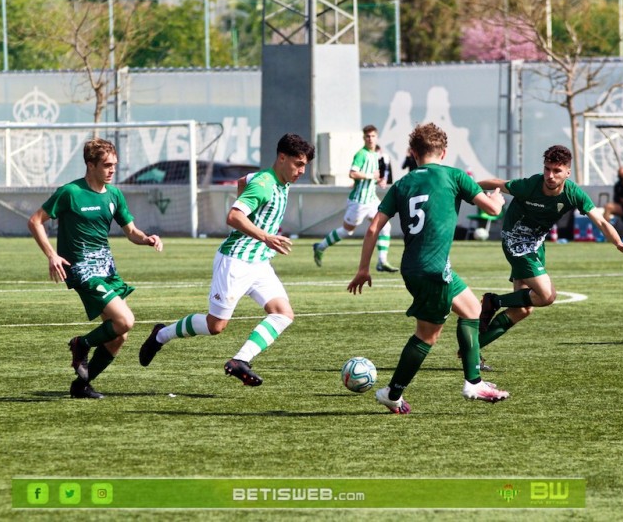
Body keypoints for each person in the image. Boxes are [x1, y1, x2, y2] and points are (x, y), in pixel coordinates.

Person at [347, 122, 510, 414]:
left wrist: (363, 269)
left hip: (415, 266)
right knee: (427, 335)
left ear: (412, 153)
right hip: (433, 269)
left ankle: (474, 380)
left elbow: (373, 228)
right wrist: (497, 198)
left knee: (472, 309)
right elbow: (493, 210)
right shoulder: (455, 175)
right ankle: (393, 392)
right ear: (444, 152)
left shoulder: (403, 184)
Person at [139, 133, 315, 386]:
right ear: (282, 157)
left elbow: (243, 180)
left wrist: (261, 235)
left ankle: (240, 360)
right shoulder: (264, 184)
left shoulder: (278, 180)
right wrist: (265, 236)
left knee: (283, 314)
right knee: (215, 326)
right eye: (298, 164)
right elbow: (233, 217)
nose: (301, 171)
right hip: (236, 260)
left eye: (304, 166)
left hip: (259, 263)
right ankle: (161, 335)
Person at [28, 138, 163, 399]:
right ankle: (81, 344)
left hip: (106, 268)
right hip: (81, 268)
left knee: (118, 336)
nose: (112, 170)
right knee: (126, 320)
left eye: (114, 165)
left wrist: (147, 239)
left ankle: (81, 386)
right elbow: (35, 222)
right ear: (90, 165)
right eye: (106, 165)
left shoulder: (114, 194)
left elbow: (131, 231)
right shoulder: (70, 192)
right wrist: (52, 255)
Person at [477, 145, 623, 359]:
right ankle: (493, 302)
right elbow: (497, 183)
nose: (550, 176)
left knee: (522, 309)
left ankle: (471, 350)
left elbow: (600, 220)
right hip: (515, 240)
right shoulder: (530, 185)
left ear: (567, 173)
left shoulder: (572, 193)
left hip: (537, 245)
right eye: (547, 169)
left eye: (556, 171)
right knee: (547, 296)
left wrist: (618, 242)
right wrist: (468, 188)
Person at [313, 125, 398, 272]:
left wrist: (379, 181)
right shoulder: (361, 154)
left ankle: (381, 262)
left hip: (371, 199)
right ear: (364, 138)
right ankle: (320, 247)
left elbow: (370, 177)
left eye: (373, 136)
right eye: (367, 136)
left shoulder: (374, 155)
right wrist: (372, 176)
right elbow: (353, 173)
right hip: (359, 202)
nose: (370, 139)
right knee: (347, 231)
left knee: (385, 227)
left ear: (376, 137)